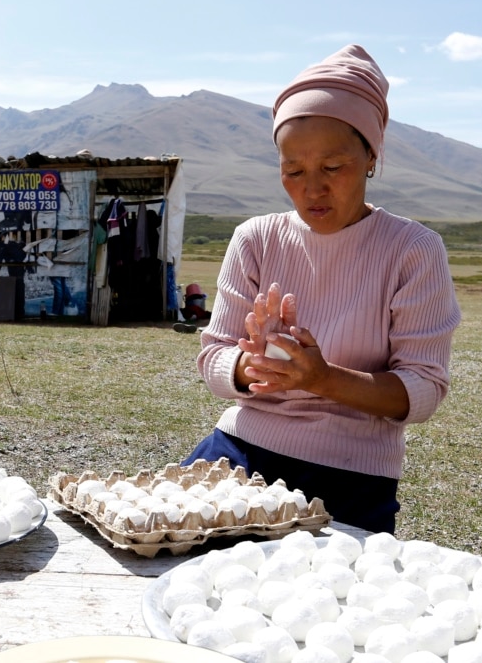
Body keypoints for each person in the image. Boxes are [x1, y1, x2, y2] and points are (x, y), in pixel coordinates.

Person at [182, 44, 461, 534]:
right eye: (293, 171)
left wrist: (321, 378)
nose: (312, 189)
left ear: (371, 156)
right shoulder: (257, 238)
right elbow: (214, 360)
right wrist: (257, 364)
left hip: (351, 477)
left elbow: (422, 390)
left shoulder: (413, 249)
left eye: (333, 168)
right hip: (238, 453)